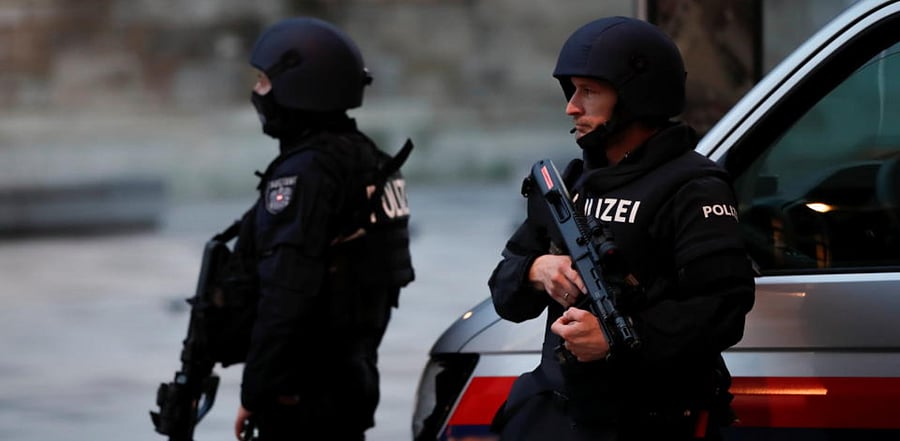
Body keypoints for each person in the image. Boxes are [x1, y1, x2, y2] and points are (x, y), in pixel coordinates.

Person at [487, 16, 755, 441]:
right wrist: (538, 271)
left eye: (589, 92)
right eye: (572, 90)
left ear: (635, 97)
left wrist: (618, 339)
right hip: (565, 410)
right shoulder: (571, 184)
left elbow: (723, 308)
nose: (571, 106)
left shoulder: (693, 186)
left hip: (649, 418)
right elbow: (506, 293)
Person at [231, 17, 415, 441]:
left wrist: (256, 390)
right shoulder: (370, 159)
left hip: (301, 394)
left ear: (300, 86)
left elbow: (286, 292)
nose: (258, 93)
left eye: (263, 81)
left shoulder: (306, 173)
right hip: (353, 380)